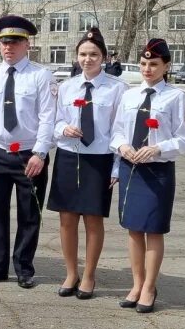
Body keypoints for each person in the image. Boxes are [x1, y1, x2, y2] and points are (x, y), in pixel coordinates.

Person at [111, 38, 185, 313]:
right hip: (131, 166)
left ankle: (149, 287)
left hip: (157, 170)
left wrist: (158, 148)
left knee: (153, 230)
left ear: (166, 66)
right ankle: (136, 284)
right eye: (144, 64)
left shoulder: (176, 96)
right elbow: (118, 131)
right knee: (134, 229)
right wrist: (122, 146)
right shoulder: (129, 95)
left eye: (154, 64)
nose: (147, 69)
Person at [0, 15, 56, 288]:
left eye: (15, 42)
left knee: (29, 215)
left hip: (28, 155)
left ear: (27, 44)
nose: (9, 47)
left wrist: (40, 153)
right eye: (4, 43)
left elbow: (48, 117)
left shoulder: (41, 76)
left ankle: (24, 268)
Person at [46, 27, 127, 300]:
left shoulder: (118, 89)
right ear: (76, 57)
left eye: (93, 54)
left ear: (103, 57)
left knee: (93, 220)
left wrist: (117, 167)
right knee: (67, 218)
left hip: (99, 159)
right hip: (69, 157)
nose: (87, 59)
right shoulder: (66, 87)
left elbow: (120, 131)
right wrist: (63, 129)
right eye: (82, 54)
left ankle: (89, 275)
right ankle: (71, 272)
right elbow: (54, 121)